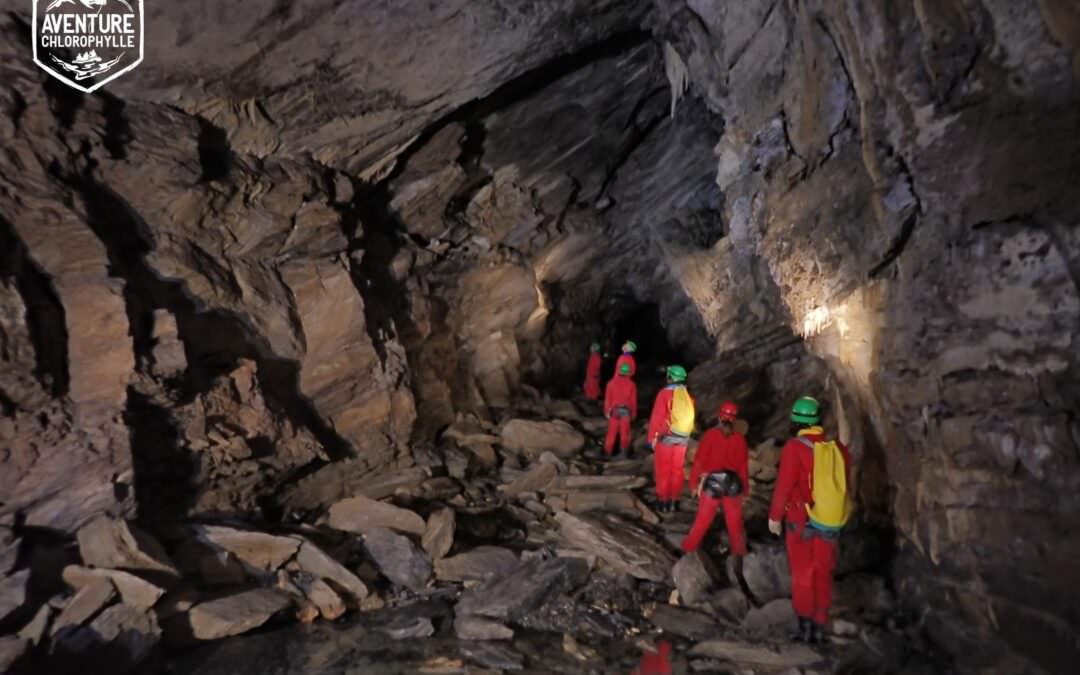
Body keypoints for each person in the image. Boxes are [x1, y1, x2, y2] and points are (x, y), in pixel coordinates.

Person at [768, 396, 853, 644]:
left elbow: (784, 486)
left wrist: (775, 517)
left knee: (803, 575)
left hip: (800, 520)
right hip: (829, 520)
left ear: (795, 419)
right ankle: (819, 625)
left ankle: (805, 630)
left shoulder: (795, 448)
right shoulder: (838, 448)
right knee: (823, 573)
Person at [682, 401, 749, 556]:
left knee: (702, 520)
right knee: (735, 523)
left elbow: (699, 462)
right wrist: (744, 489)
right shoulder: (740, 439)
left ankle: (688, 549)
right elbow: (742, 468)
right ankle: (740, 553)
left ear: (720, 416)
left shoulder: (710, 436)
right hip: (733, 483)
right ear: (735, 419)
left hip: (713, 482)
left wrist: (693, 484)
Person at [647, 364, 695, 513]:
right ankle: (674, 502)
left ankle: (663, 502)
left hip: (667, 437)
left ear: (670, 377)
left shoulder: (664, 394)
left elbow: (657, 417)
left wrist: (653, 437)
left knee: (663, 470)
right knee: (677, 470)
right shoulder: (688, 395)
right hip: (683, 438)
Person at [603, 362, 637, 456]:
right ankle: (623, 454)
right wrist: (633, 414)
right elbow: (633, 400)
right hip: (625, 411)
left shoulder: (610, 383)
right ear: (629, 373)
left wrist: (607, 412)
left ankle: (607, 453)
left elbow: (607, 399)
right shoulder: (631, 384)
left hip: (614, 411)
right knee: (624, 434)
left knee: (611, 433)